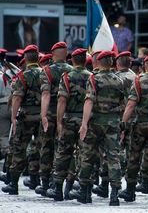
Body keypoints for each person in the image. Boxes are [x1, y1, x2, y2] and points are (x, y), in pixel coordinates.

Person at [70, 50, 125, 206]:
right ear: (112, 63)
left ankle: (84, 192)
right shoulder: (118, 80)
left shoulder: (94, 79)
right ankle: (114, 194)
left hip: (95, 122)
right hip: (113, 122)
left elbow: (89, 101)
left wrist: (84, 124)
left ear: (99, 62)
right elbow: (123, 102)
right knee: (113, 157)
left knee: (88, 155)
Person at [47, 48, 91, 201]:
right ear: (85, 60)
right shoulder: (92, 77)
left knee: (63, 153)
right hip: (86, 120)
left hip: (69, 119)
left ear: (72, 60)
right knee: (84, 155)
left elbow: (62, 100)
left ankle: (58, 189)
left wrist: (59, 122)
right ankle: (81, 190)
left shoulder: (67, 77)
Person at [1, 45, 42, 195]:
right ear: (38, 58)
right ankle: (38, 179)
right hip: (42, 116)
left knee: (19, 149)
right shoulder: (45, 73)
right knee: (40, 147)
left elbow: (17, 97)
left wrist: (13, 116)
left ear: (25, 58)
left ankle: (13, 183)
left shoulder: (22, 75)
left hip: (26, 116)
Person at [119, 54, 148, 202]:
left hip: (140, 124)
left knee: (134, 157)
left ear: (145, 66)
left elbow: (131, 105)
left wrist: (123, 123)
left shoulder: (139, 81)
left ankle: (130, 191)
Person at [37, 42, 73, 196]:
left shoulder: (47, 71)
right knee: (66, 149)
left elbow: (45, 94)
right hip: (68, 115)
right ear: (66, 54)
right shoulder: (72, 71)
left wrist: (44, 115)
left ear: (52, 54)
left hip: (51, 112)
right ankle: (65, 185)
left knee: (47, 147)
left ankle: (46, 183)